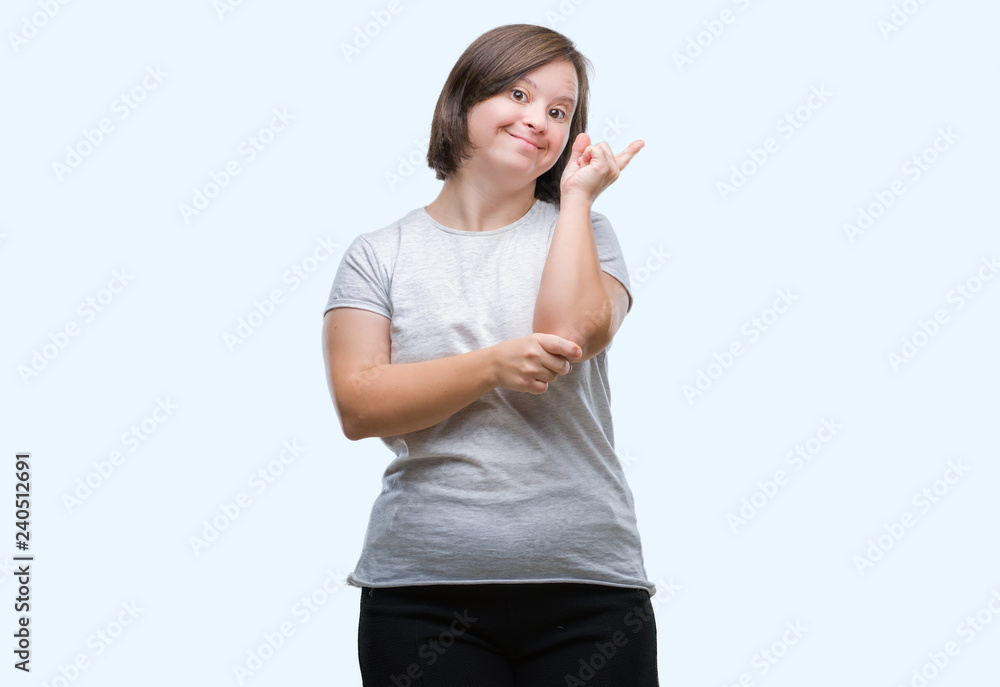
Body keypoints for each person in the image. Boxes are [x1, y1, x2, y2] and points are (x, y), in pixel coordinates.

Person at [321, 23, 658, 686]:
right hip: (421, 594)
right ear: (463, 102)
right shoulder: (376, 254)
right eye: (518, 92)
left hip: (588, 587)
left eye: (560, 111)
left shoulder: (586, 229)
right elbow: (360, 405)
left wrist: (576, 198)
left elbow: (568, 332)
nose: (538, 118)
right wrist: (491, 367)